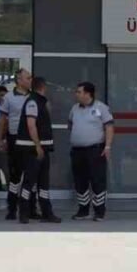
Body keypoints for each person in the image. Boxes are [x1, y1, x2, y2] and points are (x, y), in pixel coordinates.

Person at [17, 76, 62, 224]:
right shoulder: (33, 102)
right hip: (32, 150)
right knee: (29, 182)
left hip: (42, 148)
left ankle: (46, 213)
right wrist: (37, 146)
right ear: (43, 87)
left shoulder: (40, 102)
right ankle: (24, 213)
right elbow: (31, 125)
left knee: (43, 183)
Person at [69, 81, 114, 222]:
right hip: (77, 151)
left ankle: (99, 211)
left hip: (95, 150)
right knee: (80, 180)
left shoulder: (101, 107)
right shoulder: (74, 108)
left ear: (87, 94)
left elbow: (109, 127)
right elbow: (70, 125)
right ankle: (83, 210)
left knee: (97, 180)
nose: (76, 94)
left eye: (79, 92)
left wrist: (107, 146)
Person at [0, 68, 33, 220]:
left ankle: (30, 208)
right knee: (15, 175)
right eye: (28, 78)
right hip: (15, 138)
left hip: (31, 139)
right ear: (19, 80)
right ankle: (12, 208)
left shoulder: (33, 96)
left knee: (31, 175)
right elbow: (2, 119)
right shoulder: (9, 97)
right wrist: (0, 139)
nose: (30, 80)